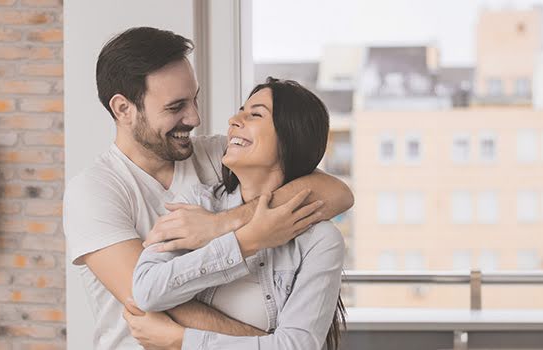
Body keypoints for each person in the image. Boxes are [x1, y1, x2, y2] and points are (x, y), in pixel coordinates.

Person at [63, 27, 353, 349]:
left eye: (194, 99)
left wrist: (221, 224)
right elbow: (156, 302)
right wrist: (278, 344)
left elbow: (336, 192)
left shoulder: (220, 157)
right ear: (123, 109)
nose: (195, 118)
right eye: (176, 107)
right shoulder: (92, 193)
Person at [128, 78, 345, 350]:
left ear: (291, 137)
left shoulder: (320, 240)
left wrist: (181, 340)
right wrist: (245, 242)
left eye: (255, 115)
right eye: (241, 111)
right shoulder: (196, 205)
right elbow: (146, 291)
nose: (233, 120)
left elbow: (298, 345)